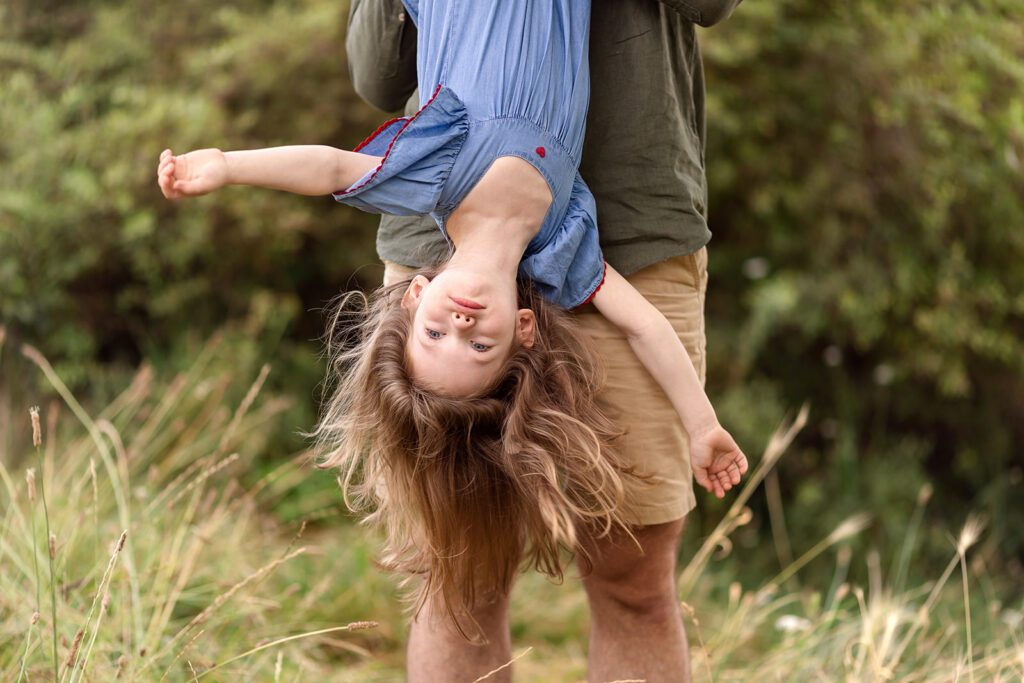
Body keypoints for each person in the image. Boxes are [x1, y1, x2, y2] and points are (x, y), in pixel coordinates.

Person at [158, 0, 744, 679]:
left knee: (628, 581)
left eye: (435, 331)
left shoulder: (434, 166)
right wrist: (702, 424)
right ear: (524, 332)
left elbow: (330, 168)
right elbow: (376, 72)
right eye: (475, 346)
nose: (460, 323)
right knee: (457, 579)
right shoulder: (566, 238)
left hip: (631, 213)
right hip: (591, 222)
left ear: (415, 302)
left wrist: (227, 165)